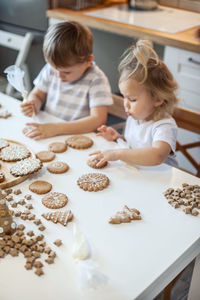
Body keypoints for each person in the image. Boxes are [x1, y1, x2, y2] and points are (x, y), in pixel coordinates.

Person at [90, 40, 179, 168]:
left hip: (160, 181)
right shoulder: (135, 116)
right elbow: (135, 147)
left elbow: (157, 155)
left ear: (158, 99)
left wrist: (119, 153)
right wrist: (118, 138)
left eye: (132, 99)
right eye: (124, 97)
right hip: (138, 174)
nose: (125, 104)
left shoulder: (164, 126)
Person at [21, 21, 113, 140]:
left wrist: (57, 128)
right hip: (51, 131)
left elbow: (98, 120)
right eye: (55, 69)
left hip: (79, 137)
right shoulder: (51, 69)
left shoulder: (96, 79)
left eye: (67, 72)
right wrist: (33, 104)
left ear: (88, 61)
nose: (59, 76)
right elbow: (38, 95)